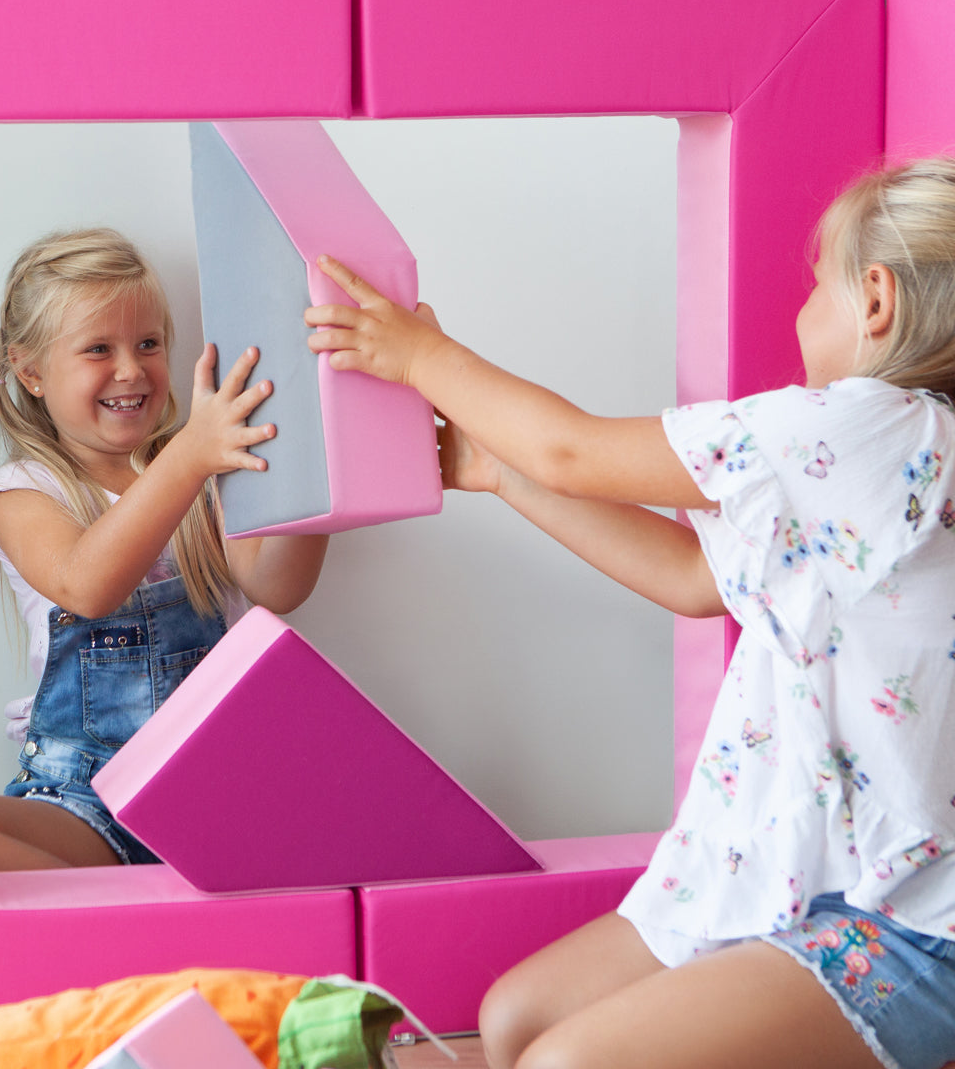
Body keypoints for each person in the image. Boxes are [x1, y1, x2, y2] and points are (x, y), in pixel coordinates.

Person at [304, 159, 955, 1069]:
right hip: (808, 871)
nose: (801, 310)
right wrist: (497, 470)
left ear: (875, 299)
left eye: (818, 286)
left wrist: (422, 358)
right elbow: (692, 576)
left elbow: (573, 450)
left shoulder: (871, 428)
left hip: (916, 926)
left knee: (564, 1061)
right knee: (514, 1019)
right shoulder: (884, 467)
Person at [0, 229, 328, 871]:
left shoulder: (205, 469)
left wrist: (316, 456)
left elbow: (279, 586)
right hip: (82, 797)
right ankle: (122, 904)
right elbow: (86, 585)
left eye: (148, 344)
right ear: (30, 372)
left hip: (216, 788)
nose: (132, 370)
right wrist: (189, 455)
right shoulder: (22, 491)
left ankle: (131, 905)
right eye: (98, 349)